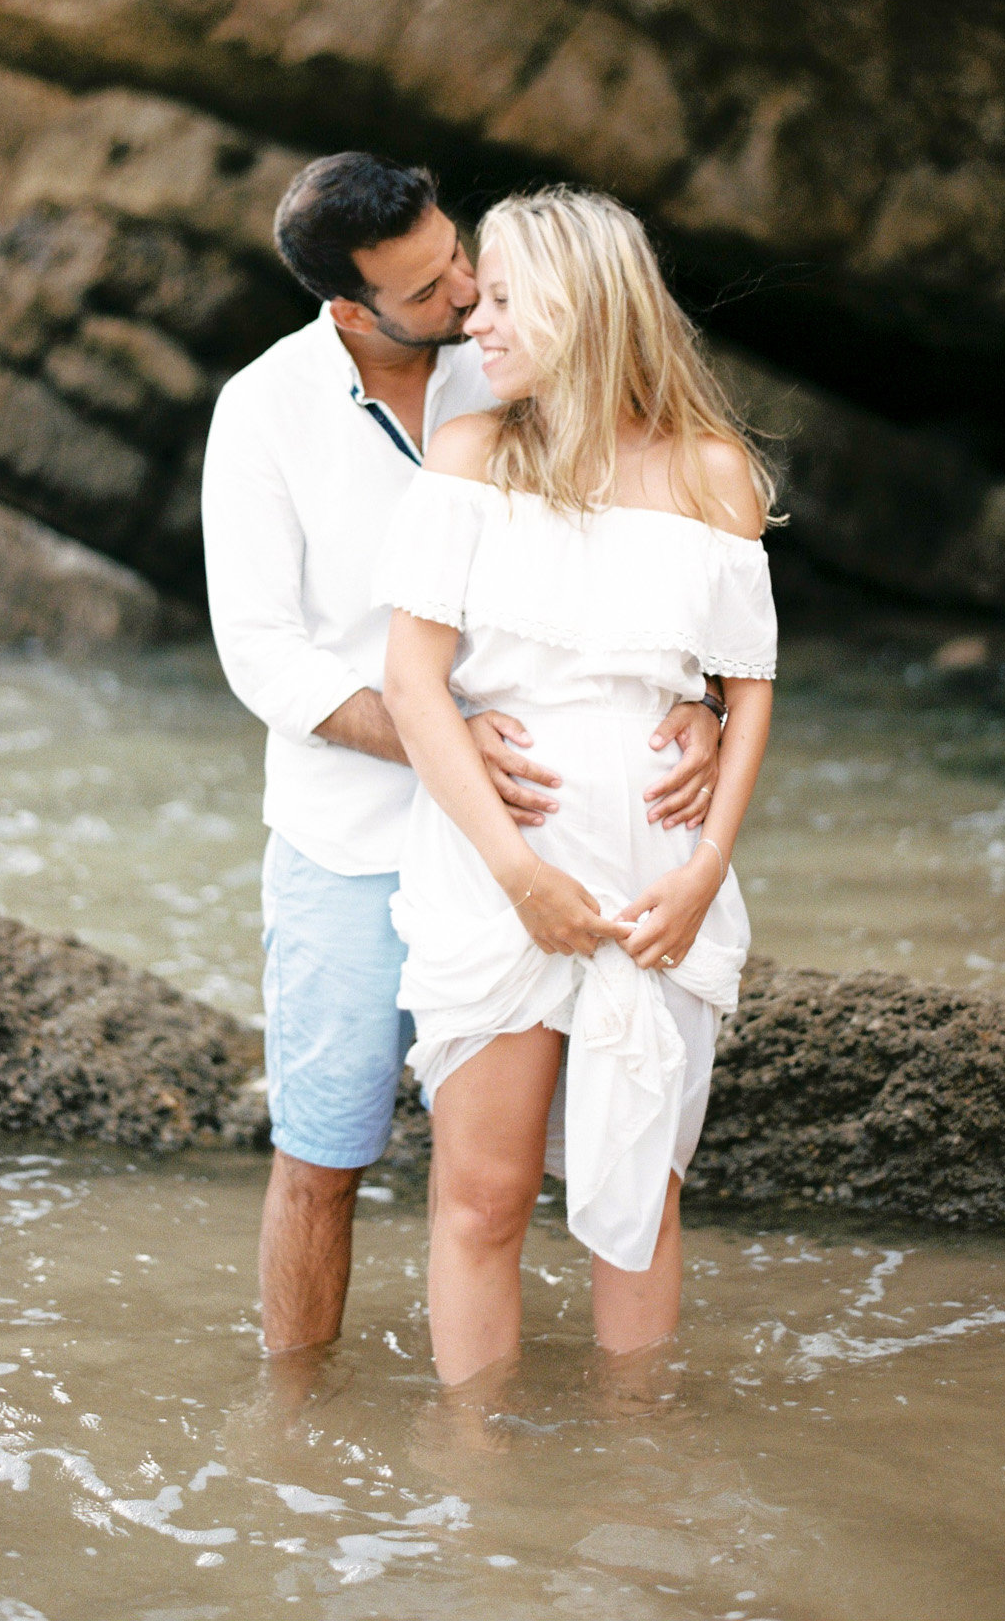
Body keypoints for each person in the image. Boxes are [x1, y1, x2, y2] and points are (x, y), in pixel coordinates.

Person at [201, 154, 725, 1355]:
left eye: (460, 260)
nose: (463, 294)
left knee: (543, 1169)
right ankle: (297, 1420)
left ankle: (552, 1448)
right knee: (322, 1154)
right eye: (427, 286)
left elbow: (639, 540)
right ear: (347, 306)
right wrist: (441, 739)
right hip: (352, 841)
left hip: (544, 829)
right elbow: (261, 653)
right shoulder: (263, 410)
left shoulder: (513, 360)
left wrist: (698, 697)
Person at [378, 187, 777, 1385]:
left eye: (501, 298)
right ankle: (478, 1494)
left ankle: (633, 1492)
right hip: (495, 872)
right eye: (475, 297)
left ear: (578, 301)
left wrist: (705, 869)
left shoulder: (711, 473)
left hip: (659, 874)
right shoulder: (472, 453)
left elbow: (745, 686)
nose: (474, 323)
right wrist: (517, 873)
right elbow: (410, 680)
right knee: (481, 1198)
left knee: (636, 1197)